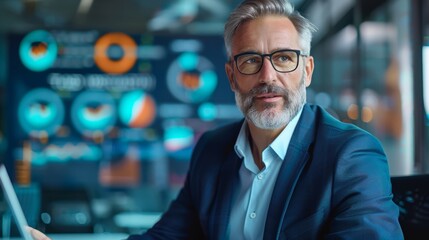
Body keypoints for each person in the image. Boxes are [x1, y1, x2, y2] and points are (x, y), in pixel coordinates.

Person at [31, 0, 403, 239]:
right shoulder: (213, 149)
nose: (267, 76)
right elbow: (168, 236)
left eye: (284, 58)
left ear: (306, 70)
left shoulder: (352, 154)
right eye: (250, 60)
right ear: (231, 76)